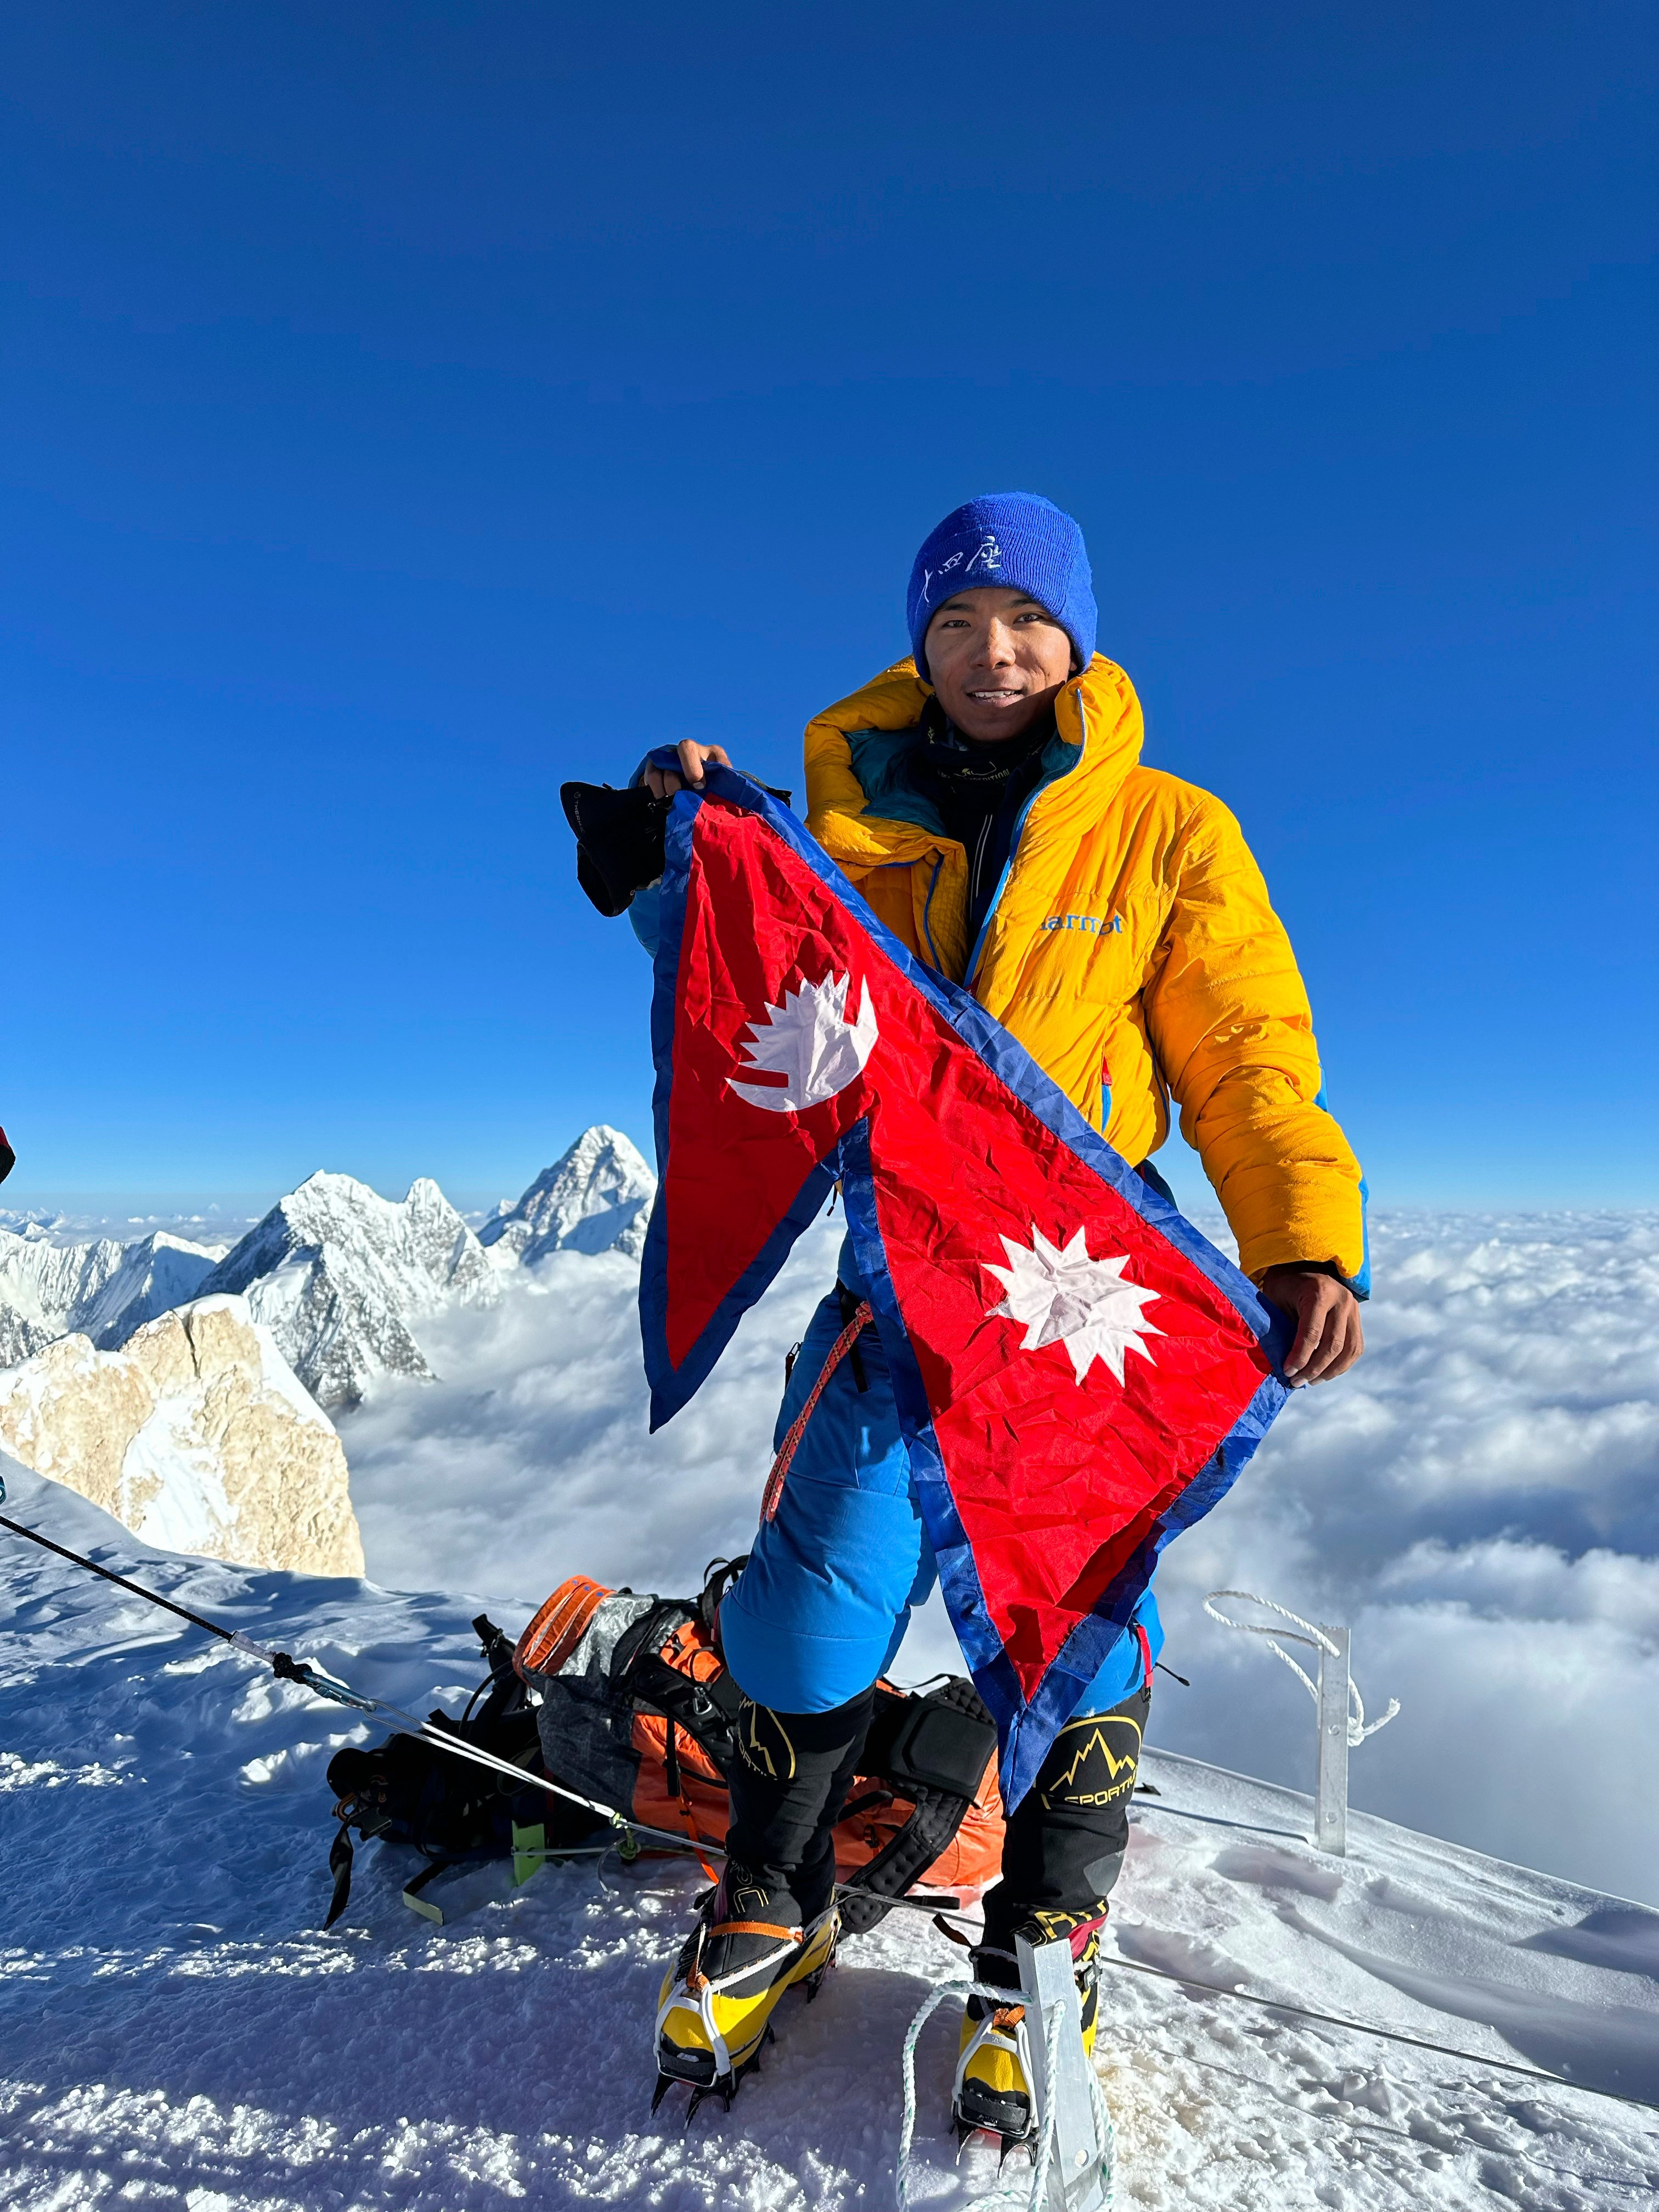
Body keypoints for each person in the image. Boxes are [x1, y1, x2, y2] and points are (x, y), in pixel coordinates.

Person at [624, 493, 1366, 2140]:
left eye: (1024, 620)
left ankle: (1047, 1934)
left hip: (1068, 1293)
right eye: (956, 624)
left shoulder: (1170, 831)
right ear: (920, 643)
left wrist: (1301, 1230)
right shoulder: (852, 820)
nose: (991, 652)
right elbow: (761, 987)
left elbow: (1242, 1050)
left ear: (1078, 637)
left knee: (1077, 1603)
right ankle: (774, 1887)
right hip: (893, 1286)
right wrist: (677, 859)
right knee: (810, 1608)